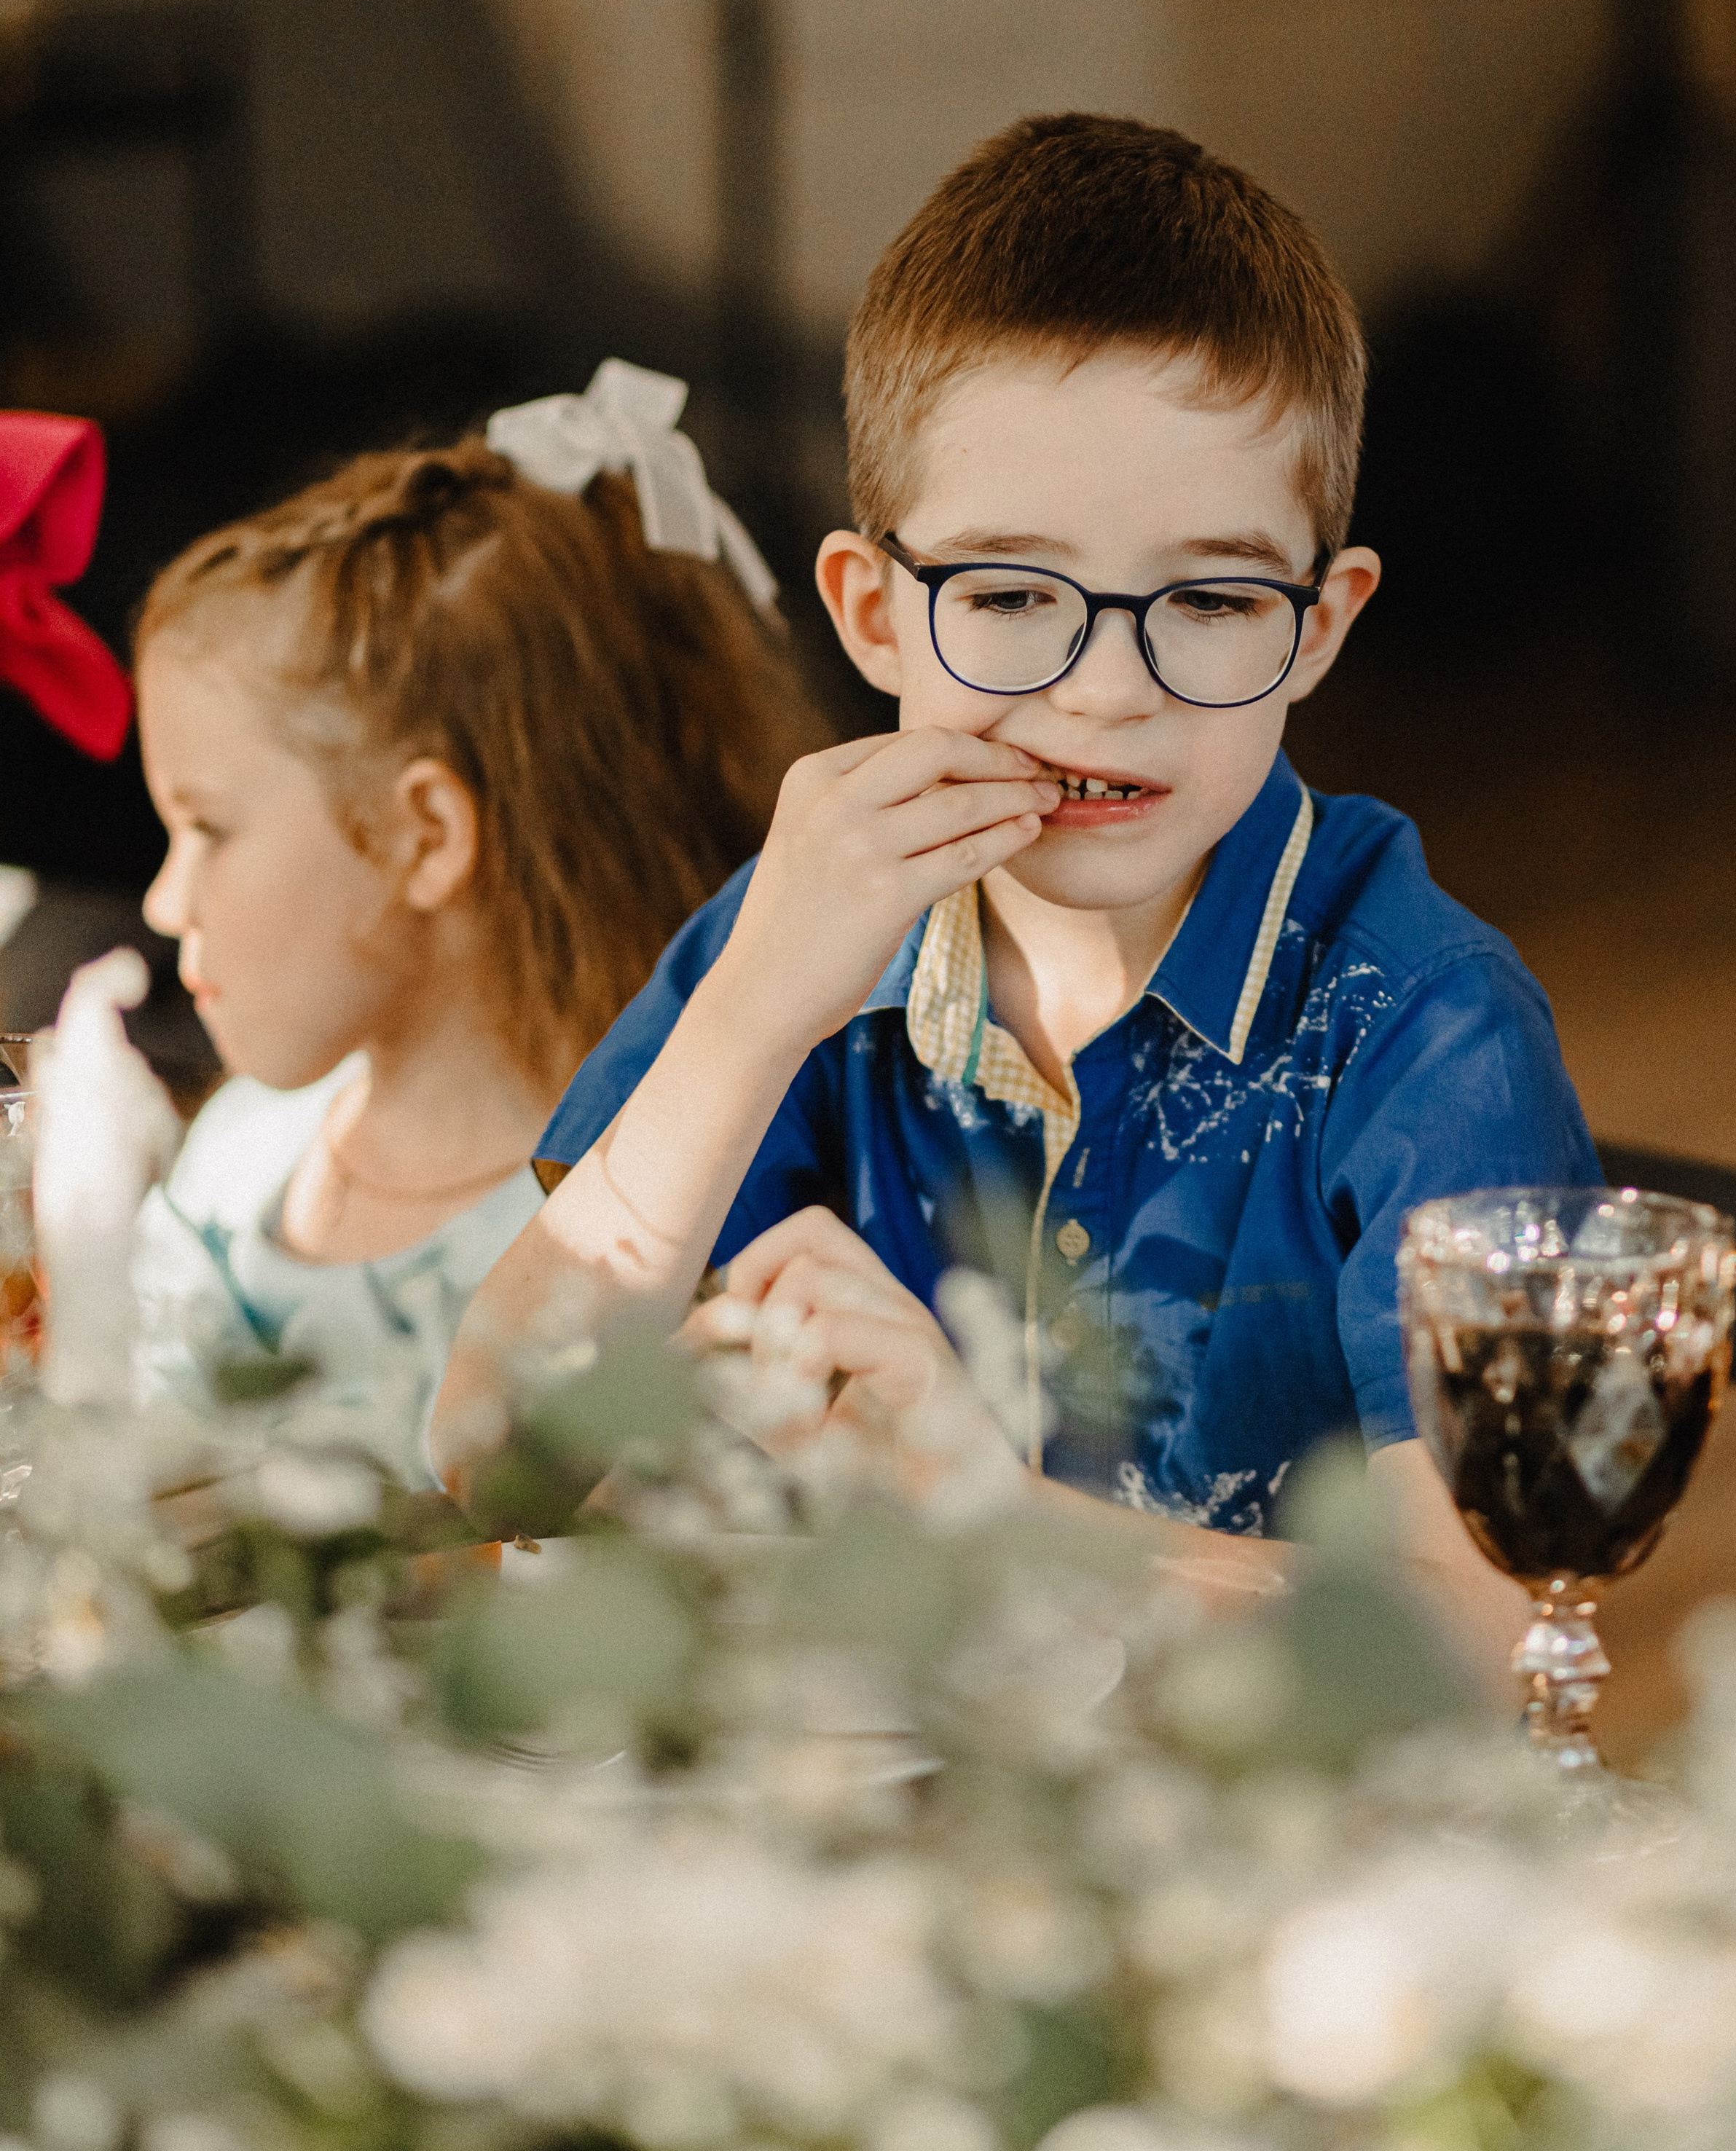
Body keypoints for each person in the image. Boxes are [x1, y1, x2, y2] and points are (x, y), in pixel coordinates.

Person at [433, 119, 1595, 1649]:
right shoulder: (801, 937)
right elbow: (497, 1458)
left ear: (1316, 627)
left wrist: (986, 1513)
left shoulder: (1432, 1039)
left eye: (1210, 598)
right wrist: (746, 1019)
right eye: (1004, 592)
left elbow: (1498, 1640)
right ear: (868, 610)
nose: (1105, 692)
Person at [131, 362, 820, 1484]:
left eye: (207, 827)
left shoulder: (646, 1227)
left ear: (425, 836)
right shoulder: (231, 1163)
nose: (166, 901)